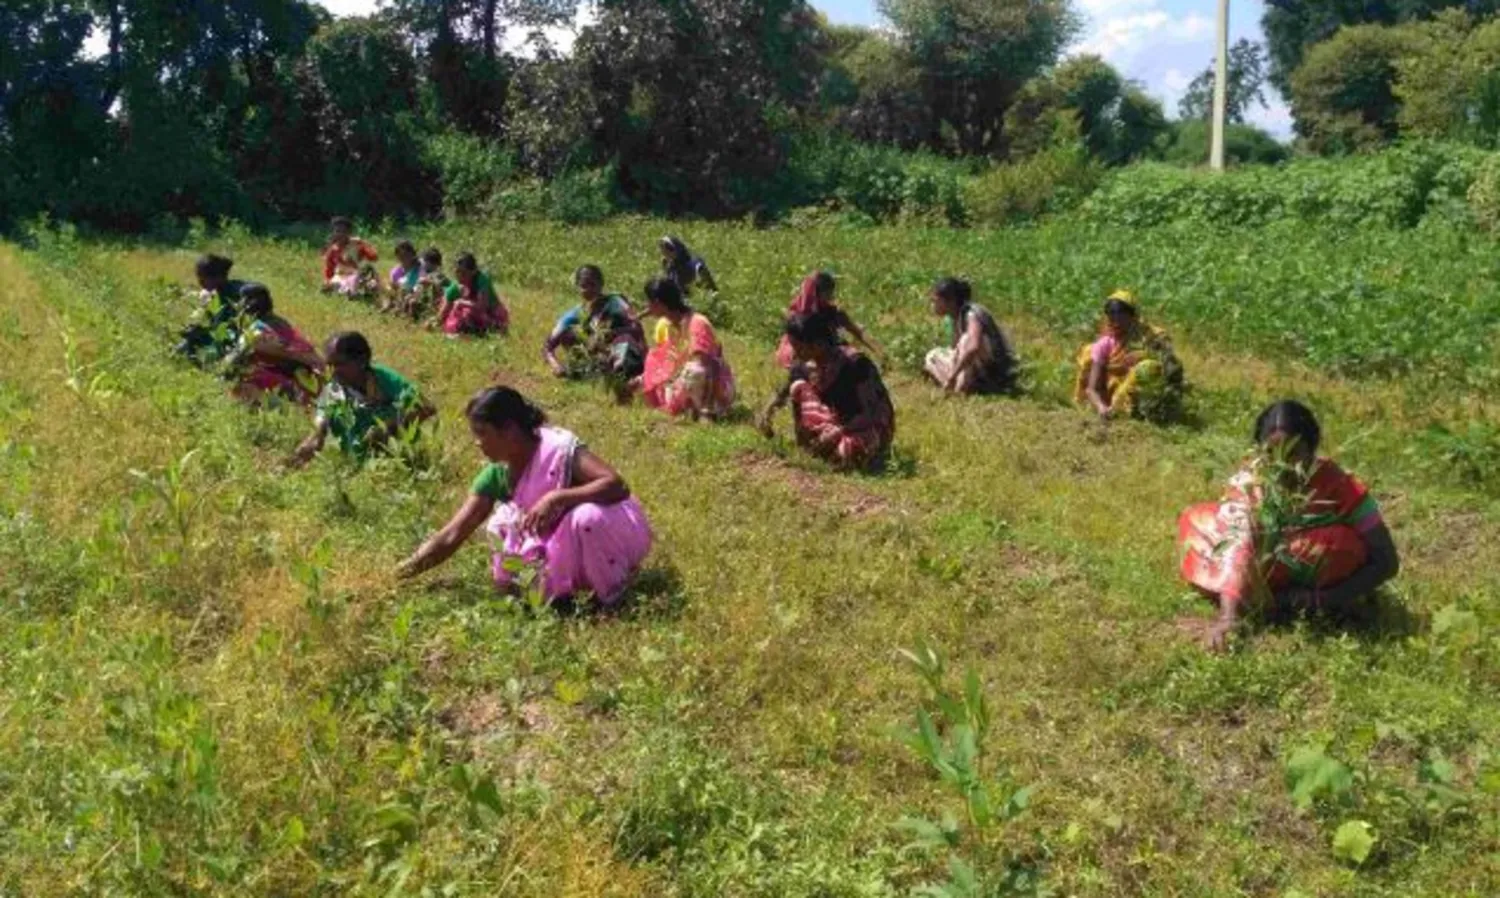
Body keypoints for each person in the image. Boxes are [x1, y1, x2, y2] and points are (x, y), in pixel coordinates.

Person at [398, 387, 653, 608]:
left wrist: (557, 498)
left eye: (482, 433)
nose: (477, 443)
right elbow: (452, 534)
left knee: (587, 518)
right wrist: (401, 573)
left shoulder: (559, 451)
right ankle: (555, 594)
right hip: (560, 554)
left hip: (609, 534)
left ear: (508, 430)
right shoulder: (496, 476)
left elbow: (616, 485)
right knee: (502, 525)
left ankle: (612, 595)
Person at [1177, 401, 1400, 652]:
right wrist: (1229, 617)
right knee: (1197, 519)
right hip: (1251, 566)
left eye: (1293, 453)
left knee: (1343, 545)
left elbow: (1386, 560)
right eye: (1271, 454)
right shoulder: (1252, 478)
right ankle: (1245, 599)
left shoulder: (1340, 484)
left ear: (1312, 449)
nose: (1281, 464)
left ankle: (1273, 600)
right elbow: (1236, 540)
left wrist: (1325, 600)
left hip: (1304, 572)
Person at [758, 312, 895, 472]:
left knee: (847, 453)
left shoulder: (855, 364)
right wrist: (767, 414)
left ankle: (845, 452)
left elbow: (873, 412)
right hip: (835, 422)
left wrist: (837, 432)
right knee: (798, 387)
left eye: (799, 347)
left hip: (864, 425)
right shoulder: (805, 366)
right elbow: (783, 393)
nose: (794, 353)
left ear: (818, 345)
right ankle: (807, 445)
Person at [291, 331, 434, 466]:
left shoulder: (383, 378)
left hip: (396, 454)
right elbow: (321, 429)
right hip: (356, 458)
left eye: (339, 364)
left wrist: (387, 428)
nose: (333, 371)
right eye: (329, 364)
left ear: (362, 361)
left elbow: (425, 407)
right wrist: (313, 441)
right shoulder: (334, 388)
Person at [1074, 291, 1183, 423]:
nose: (1116, 318)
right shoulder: (1105, 344)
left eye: (1120, 313)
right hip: (1112, 394)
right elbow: (1091, 388)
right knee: (1088, 352)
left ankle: (1154, 413)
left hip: (1144, 393)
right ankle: (1118, 411)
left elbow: (1172, 368)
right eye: (1111, 313)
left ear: (1132, 315)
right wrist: (1101, 407)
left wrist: (1144, 356)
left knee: (1148, 367)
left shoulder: (1151, 337)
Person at [636, 277, 735, 420]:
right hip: (687, 381)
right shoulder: (670, 325)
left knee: (694, 371)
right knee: (647, 378)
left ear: (658, 303)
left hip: (713, 388)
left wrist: (706, 411)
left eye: (649, 301)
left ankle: (705, 411)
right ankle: (687, 407)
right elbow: (671, 361)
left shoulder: (697, 323)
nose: (647, 306)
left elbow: (707, 367)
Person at [543, 265, 646, 388]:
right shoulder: (576, 313)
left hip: (625, 354)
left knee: (625, 340)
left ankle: (623, 377)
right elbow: (549, 345)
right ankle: (592, 372)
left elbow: (637, 328)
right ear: (578, 287)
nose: (588, 289)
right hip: (598, 358)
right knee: (570, 334)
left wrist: (611, 334)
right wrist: (555, 364)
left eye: (592, 284)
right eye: (584, 286)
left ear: (601, 284)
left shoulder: (615, 302)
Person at [228, 285, 323, 406]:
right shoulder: (280, 323)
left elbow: (233, 360)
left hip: (292, 384)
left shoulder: (258, 329)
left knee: (240, 385)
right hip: (307, 382)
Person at [923, 277, 1018, 395]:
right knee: (932, 356)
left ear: (950, 301)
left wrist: (952, 375)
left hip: (992, 370)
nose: (933, 304)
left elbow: (973, 347)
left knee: (965, 343)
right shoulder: (956, 317)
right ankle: (959, 384)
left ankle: (961, 385)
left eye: (936, 300)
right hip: (974, 368)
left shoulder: (971, 314)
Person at [773, 271, 882, 369]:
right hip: (807, 355)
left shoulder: (834, 313)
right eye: (827, 293)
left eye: (830, 293)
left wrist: (877, 351)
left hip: (829, 351)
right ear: (815, 293)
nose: (830, 297)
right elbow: (798, 351)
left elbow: (856, 332)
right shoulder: (797, 318)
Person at [175, 254, 259, 364]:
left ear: (218, 277)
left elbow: (230, 330)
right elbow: (214, 324)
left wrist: (202, 333)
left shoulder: (234, 294)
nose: (200, 282)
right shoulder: (219, 294)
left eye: (202, 277)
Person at [436, 252, 509, 336]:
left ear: (473, 271)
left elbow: (482, 306)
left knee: (469, 312)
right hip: (474, 318)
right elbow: (443, 312)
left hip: (491, 315)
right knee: (455, 315)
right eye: (457, 272)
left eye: (463, 273)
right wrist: (435, 322)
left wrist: (461, 302)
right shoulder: (456, 286)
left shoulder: (481, 280)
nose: (459, 276)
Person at [321, 216, 379, 297]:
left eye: (343, 231)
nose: (340, 234)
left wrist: (363, 243)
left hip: (357, 275)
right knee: (333, 283)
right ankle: (346, 290)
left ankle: (352, 291)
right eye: (337, 231)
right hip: (341, 276)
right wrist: (327, 280)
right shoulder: (333, 249)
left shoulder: (357, 245)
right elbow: (329, 268)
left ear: (349, 233)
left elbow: (374, 257)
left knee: (357, 280)